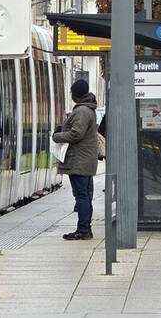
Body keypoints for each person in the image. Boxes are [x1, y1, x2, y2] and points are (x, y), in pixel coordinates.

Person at [52, 79, 99, 240]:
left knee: (81, 196)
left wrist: (58, 136)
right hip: (84, 159)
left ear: (76, 94)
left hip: (80, 160)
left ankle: (83, 230)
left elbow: (76, 133)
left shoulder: (82, 112)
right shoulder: (87, 110)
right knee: (84, 195)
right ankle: (85, 228)